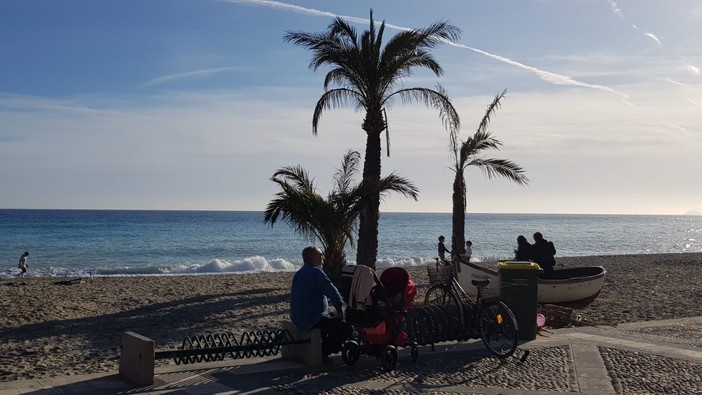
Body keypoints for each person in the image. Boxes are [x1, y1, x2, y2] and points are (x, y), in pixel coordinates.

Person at [290, 246, 353, 363]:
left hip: (297, 317)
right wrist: (340, 311)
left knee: (329, 317)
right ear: (314, 257)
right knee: (347, 329)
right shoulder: (316, 272)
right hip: (311, 318)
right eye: (321, 254)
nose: (323, 257)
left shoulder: (299, 273)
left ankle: (325, 349)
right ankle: (324, 352)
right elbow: (333, 293)